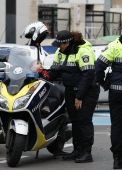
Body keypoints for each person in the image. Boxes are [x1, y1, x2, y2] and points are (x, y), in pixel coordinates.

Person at [51, 30, 100, 163]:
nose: (58, 47)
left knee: (84, 120)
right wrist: (41, 73)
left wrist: (79, 97)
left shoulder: (84, 51)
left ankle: (87, 152)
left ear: (67, 42)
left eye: (60, 45)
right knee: (75, 121)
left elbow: (88, 76)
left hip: (87, 91)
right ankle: (77, 149)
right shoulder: (60, 52)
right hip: (70, 90)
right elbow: (54, 72)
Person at [95, 19, 122, 170]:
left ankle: (117, 159)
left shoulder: (114, 45)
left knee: (117, 125)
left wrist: (104, 83)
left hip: (116, 91)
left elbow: (98, 66)